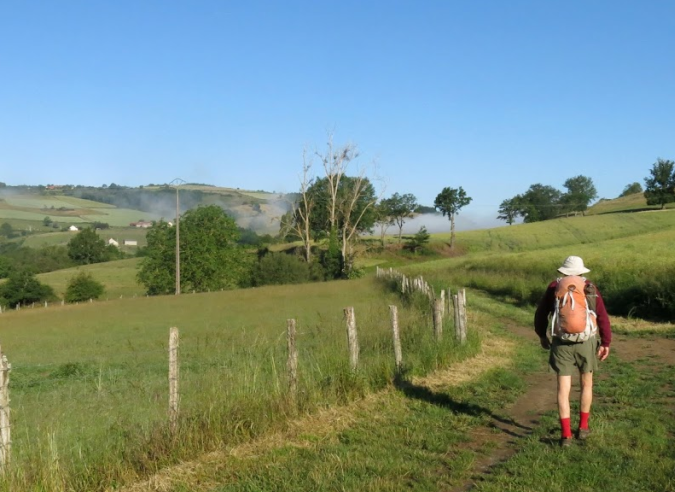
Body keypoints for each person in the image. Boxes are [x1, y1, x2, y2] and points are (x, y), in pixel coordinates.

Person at [534, 255, 611, 447]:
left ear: (564, 271)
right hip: (587, 341)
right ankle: (583, 428)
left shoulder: (555, 287)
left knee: (563, 389)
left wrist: (542, 335)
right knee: (586, 384)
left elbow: (541, 313)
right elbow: (601, 315)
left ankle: (566, 435)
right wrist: (605, 342)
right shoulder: (589, 287)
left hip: (561, 342)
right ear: (581, 271)